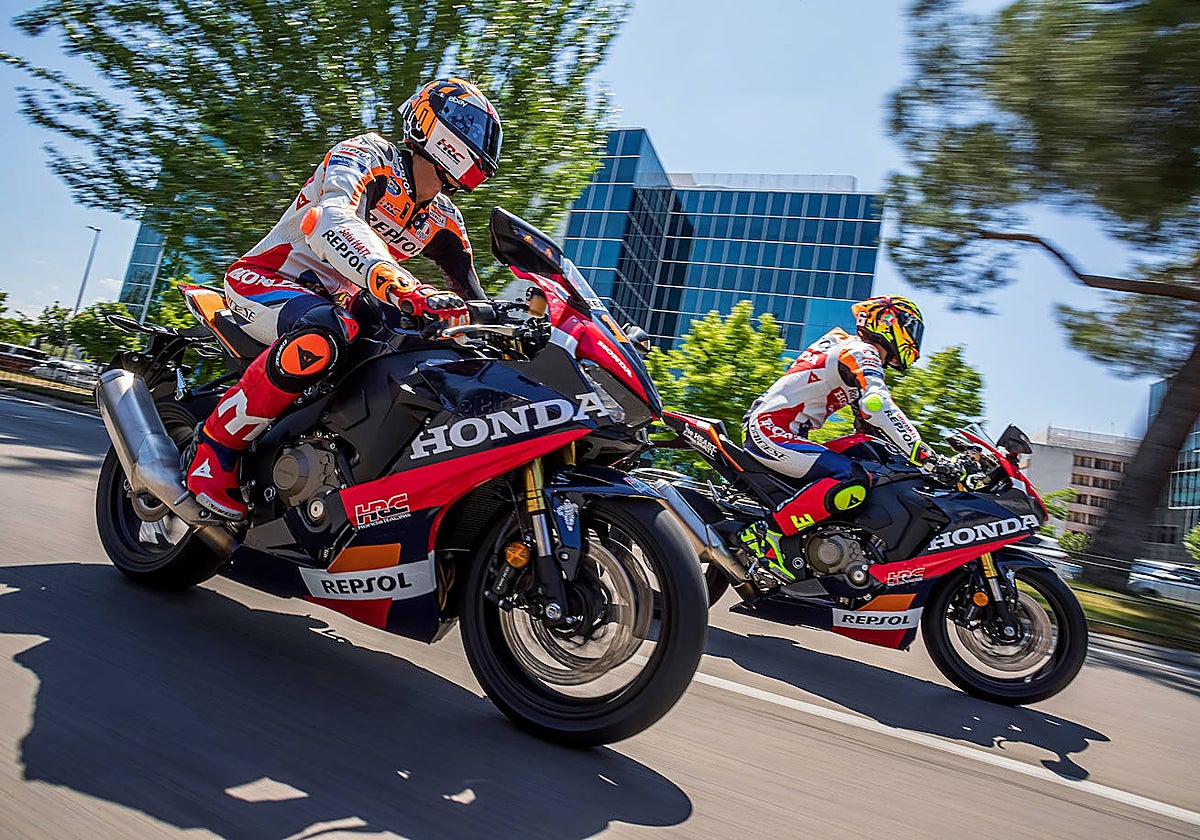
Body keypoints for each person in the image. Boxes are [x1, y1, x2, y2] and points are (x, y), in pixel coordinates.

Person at [186, 78, 503, 520]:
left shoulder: (444, 220)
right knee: (327, 330)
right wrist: (400, 283)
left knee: (417, 346)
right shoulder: (369, 156)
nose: (483, 140)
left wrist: (520, 328)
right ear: (435, 125)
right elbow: (328, 218)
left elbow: (473, 297)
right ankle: (213, 452)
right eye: (470, 125)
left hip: (342, 302)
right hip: (266, 279)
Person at [739, 295, 951, 580]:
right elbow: (877, 405)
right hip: (771, 430)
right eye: (910, 330)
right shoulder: (861, 350)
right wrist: (925, 455)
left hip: (783, 431)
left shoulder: (851, 351)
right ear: (889, 322)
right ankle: (768, 535)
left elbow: (868, 427)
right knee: (851, 478)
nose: (913, 340)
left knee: (866, 458)